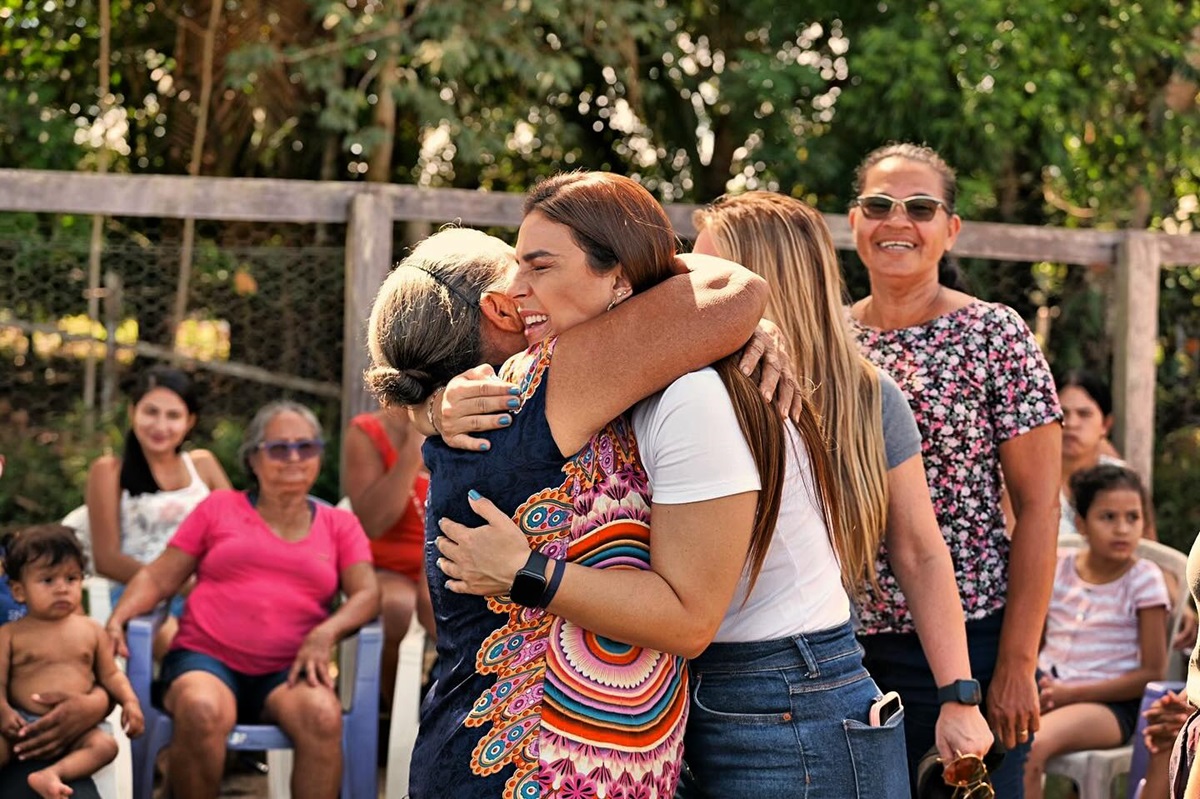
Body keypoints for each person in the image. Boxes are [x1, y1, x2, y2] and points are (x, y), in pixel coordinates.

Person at [413, 174, 912, 796]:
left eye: (539, 267)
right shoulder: (620, 384)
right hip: (713, 695)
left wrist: (526, 572)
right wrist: (432, 407)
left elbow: (687, 618)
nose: (514, 293)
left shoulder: (690, 393)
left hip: (785, 703)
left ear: (621, 278)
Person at [365, 184, 774, 798]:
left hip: (490, 761)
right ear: (502, 310)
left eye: (541, 265)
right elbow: (731, 292)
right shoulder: (540, 382)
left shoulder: (468, 422)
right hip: (531, 774)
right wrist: (652, 275)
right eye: (520, 269)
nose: (530, 288)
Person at [683, 191, 993, 765]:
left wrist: (961, 697)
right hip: (686, 678)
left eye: (708, 272)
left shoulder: (867, 398)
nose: (688, 287)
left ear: (764, 280)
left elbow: (921, 552)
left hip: (808, 680)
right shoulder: (686, 382)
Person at [848, 141, 1063, 796]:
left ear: (951, 228)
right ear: (853, 219)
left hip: (969, 642)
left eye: (920, 207)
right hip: (847, 647)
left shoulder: (993, 333)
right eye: (878, 204)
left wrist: (1016, 663)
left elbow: (1040, 508)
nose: (897, 221)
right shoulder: (828, 338)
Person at [105, 401, 380, 799]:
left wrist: (326, 634)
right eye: (278, 448)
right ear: (253, 457)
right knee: (202, 710)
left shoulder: (340, 524)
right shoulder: (219, 508)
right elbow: (158, 576)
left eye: (306, 447)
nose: (293, 458)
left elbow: (368, 593)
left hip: (289, 671)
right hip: (206, 659)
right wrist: (118, 619)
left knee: (322, 716)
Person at [1022, 464, 1168, 798]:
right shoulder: (1058, 567)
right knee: (991, 738)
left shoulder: (1144, 579)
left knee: (1030, 746)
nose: (1122, 529)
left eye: (1133, 517)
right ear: (1083, 524)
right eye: (1108, 517)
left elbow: (1153, 671)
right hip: (1047, 693)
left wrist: (1071, 694)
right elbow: (1037, 641)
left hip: (1110, 707)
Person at [86, 366, 231, 655]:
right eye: (151, 412)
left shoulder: (203, 465)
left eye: (173, 415)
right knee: (191, 648)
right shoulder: (109, 471)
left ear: (190, 421)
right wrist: (175, 583)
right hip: (139, 597)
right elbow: (107, 559)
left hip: (207, 594)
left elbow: (236, 532)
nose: (160, 426)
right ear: (132, 412)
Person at [0, 524, 144, 799]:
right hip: (18, 727)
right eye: (48, 581)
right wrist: (4, 711)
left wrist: (130, 702)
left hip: (77, 730)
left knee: (104, 746)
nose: (62, 589)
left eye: (72, 579)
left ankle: (54, 774)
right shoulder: (10, 634)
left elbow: (110, 675)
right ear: (19, 591)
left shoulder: (90, 630)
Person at [342, 406, 433, 708]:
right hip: (389, 568)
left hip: (451, 562)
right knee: (399, 608)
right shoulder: (368, 432)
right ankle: (397, 714)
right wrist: (411, 450)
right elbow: (372, 523)